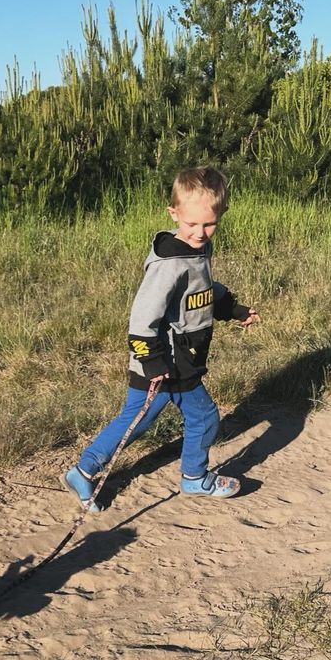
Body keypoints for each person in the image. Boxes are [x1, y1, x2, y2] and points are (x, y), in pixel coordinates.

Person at [64, 166, 260, 511]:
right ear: (174, 213)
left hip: (179, 357)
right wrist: (153, 362)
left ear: (221, 214)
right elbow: (141, 320)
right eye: (192, 224)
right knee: (205, 417)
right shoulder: (169, 265)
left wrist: (234, 309)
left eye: (209, 224)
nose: (200, 232)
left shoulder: (199, 249)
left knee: (136, 419)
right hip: (167, 362)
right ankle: (194, 477)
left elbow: (201, 292)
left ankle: (83, 471)